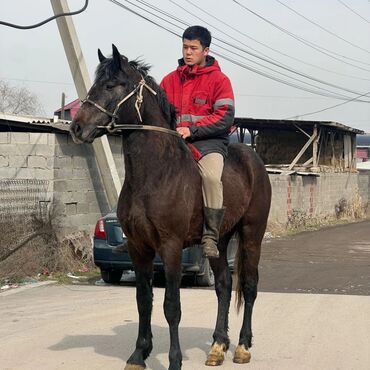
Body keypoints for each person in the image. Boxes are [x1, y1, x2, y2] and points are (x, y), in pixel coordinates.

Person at [160, 25, 235, 259]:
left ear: (206, 50)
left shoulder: (220, 81)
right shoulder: (169, 80)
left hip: (209, 144)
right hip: (175, 143)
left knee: (211, 178)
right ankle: (136, 232)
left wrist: (191, 130)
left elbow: (225, 116)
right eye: (185, 47)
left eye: (193, 48)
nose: (188, 52)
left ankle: (211, 236)